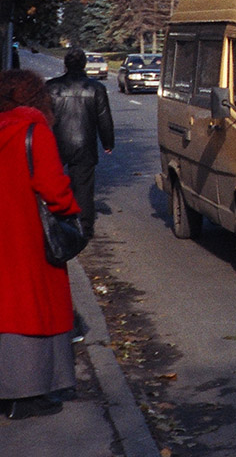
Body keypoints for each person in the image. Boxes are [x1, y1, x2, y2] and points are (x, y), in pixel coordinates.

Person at [0, 70, 81, 419]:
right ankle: (25, 394)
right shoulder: (34, 132)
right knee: (30, 311)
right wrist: (72, 209)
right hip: (27, 239)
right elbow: (55, 191)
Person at [46, 48, 115, 240]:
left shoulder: (51, 87)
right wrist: (108, 142)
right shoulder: (96, 88)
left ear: (65, 65)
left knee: (53, 184)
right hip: (84, 143)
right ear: (84, 65)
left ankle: (58, 222)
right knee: (83, 188)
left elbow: (42, 117)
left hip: (56, 143)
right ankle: (84, 228)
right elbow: (104, 119)